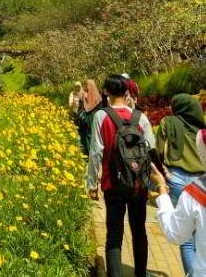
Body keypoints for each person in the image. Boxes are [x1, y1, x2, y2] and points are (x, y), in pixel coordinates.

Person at [87, 74, 163, 277]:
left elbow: (96, 152)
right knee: (139, 231)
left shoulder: (101, 116)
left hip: (113, 184)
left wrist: (92, 183)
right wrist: (159, 183)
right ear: (127, 91)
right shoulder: (141, 117)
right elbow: (151, 152)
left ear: (106, 92)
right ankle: (140, 274)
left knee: (114, 235)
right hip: (138, 185)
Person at [155, 93, 206, 276]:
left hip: (178, 180)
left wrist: (161, 185)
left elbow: (159, 150)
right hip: (201, 178)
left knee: (186, 240)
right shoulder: (201, 129)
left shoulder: (168, 123)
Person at [81, 79, 104, 155]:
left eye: (87, 85)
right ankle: (89, 153)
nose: (86, 86)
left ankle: (92, 153)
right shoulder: (86, 95)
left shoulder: (96, 97)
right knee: (88, 136)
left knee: (92, 136)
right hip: (88, 121)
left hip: (92, 120)